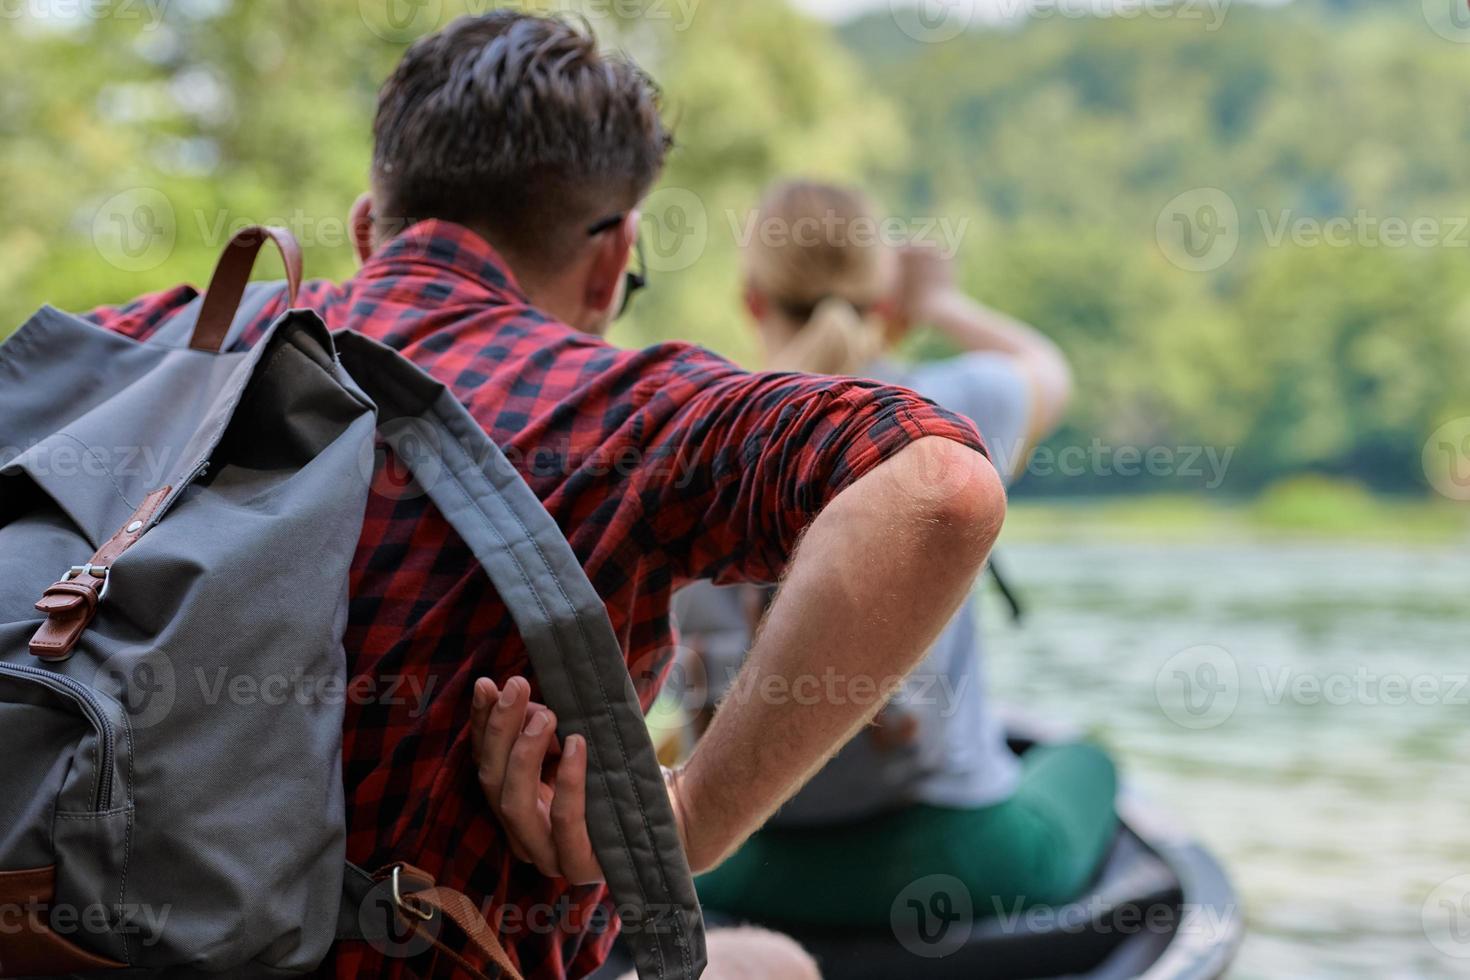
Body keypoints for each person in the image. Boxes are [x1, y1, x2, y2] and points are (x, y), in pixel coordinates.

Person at [81, 15, 1005, 979]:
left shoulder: (150, 350)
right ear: (613, 260)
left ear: (367, 229)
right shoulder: (629, 415)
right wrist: (686, 819)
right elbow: (937, 488)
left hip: (85, 945)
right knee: (776, 964)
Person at [680, 180, 1118, 928]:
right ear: (885, 304)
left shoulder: (685, 429)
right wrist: (942, 303)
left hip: (743, 872)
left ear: (751, 300)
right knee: (1092, 764)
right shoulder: (957, 405)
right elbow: (1050, 368)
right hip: (954, 863)